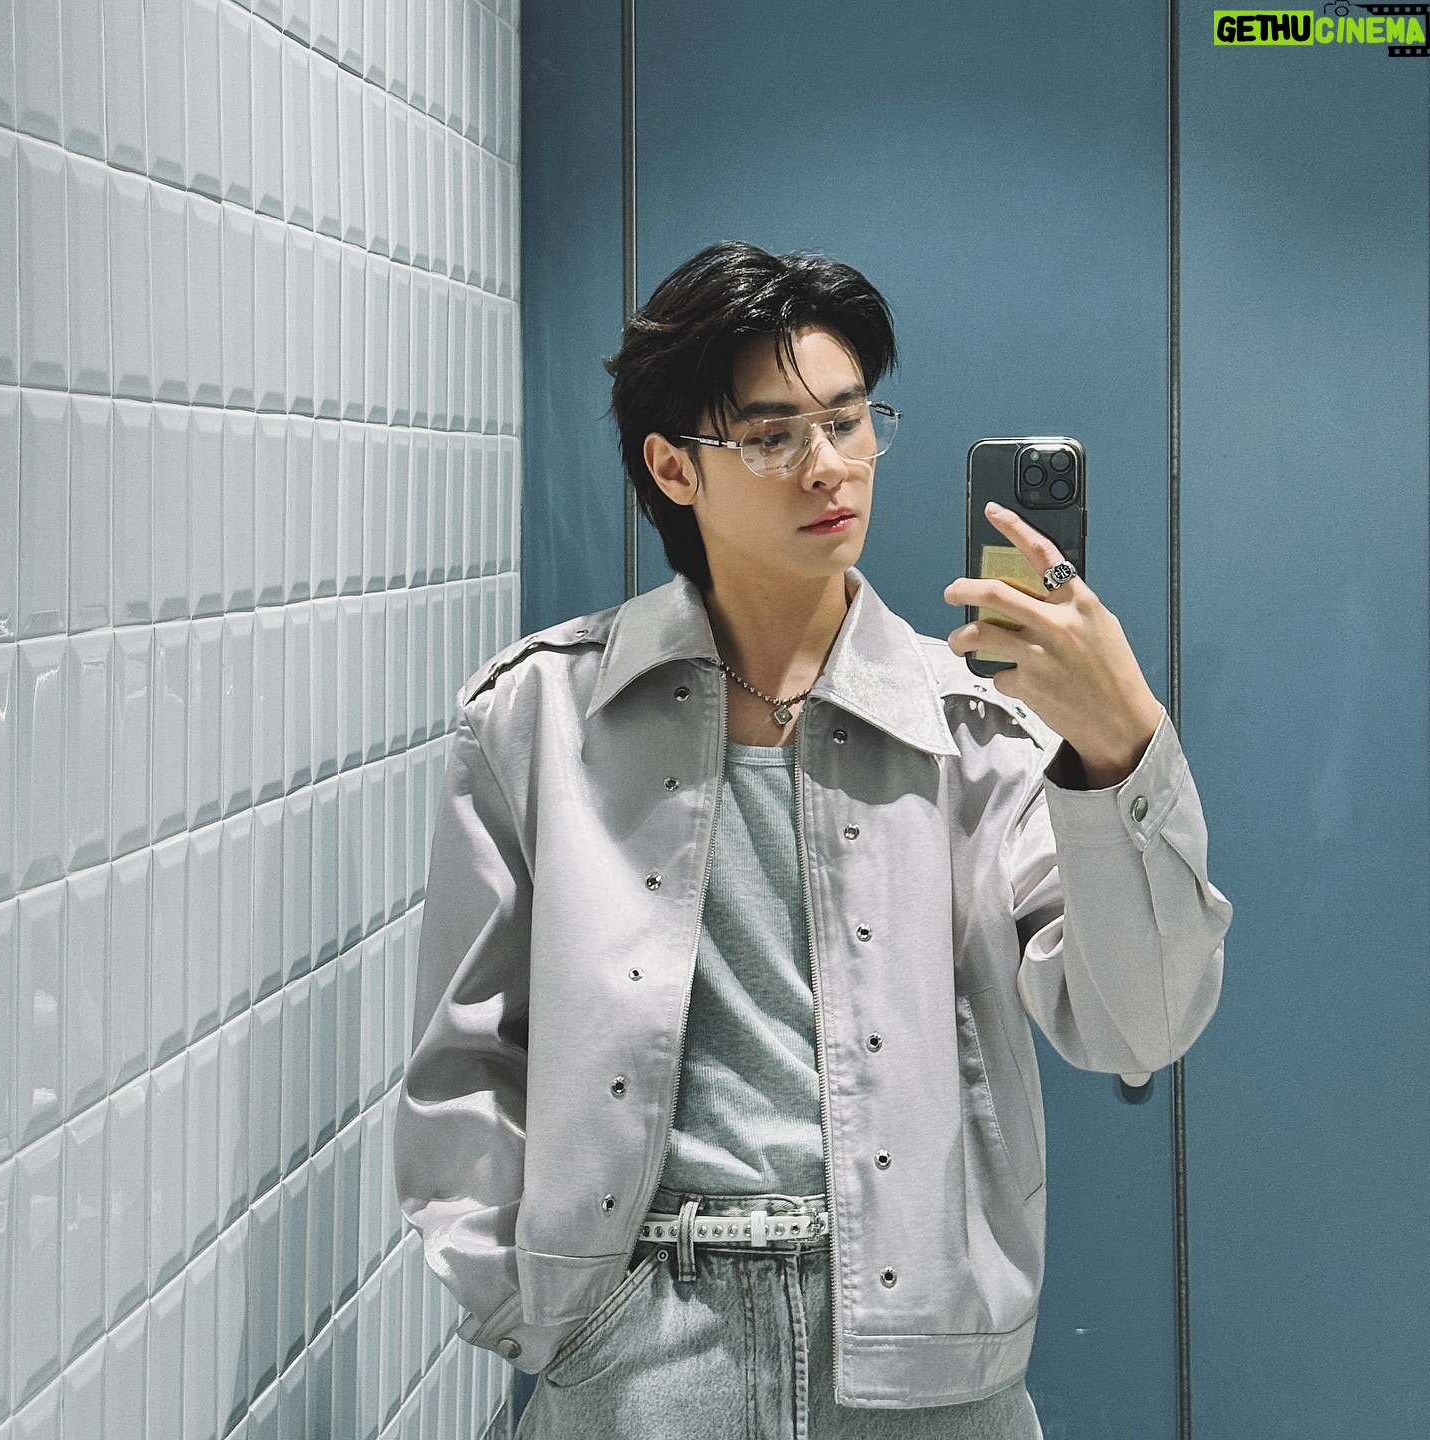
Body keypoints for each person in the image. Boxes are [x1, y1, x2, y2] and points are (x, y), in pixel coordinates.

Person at [394, 241, 1231, 1439]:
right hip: (639, 1356)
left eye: (847, 421)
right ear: (673, 467)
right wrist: (544, 1318)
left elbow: (1138, 1024)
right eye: (772, 435)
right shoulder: (539, 719)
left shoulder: (982, 730)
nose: (829, 464)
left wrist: (1120, 748)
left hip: (922, 1359)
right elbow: (465, 1060)